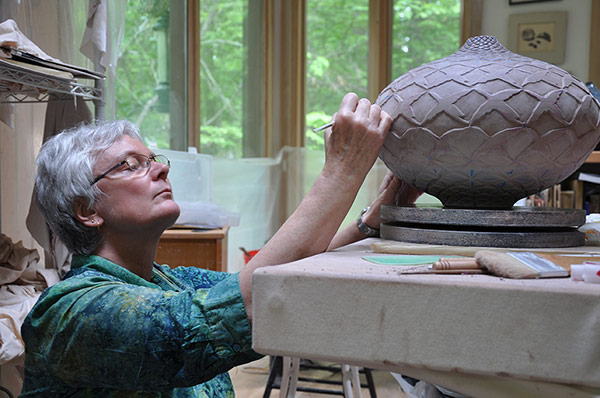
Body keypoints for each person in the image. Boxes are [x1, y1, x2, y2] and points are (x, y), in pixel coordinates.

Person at [19, 93, 419, 397]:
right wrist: (342, 170)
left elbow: (277, 279)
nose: (160, 167)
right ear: (87, 210)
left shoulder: (171, 282)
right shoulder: (71, 313)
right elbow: (244, 301)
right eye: (130, 164)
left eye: (152, 158)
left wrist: (374, 219)